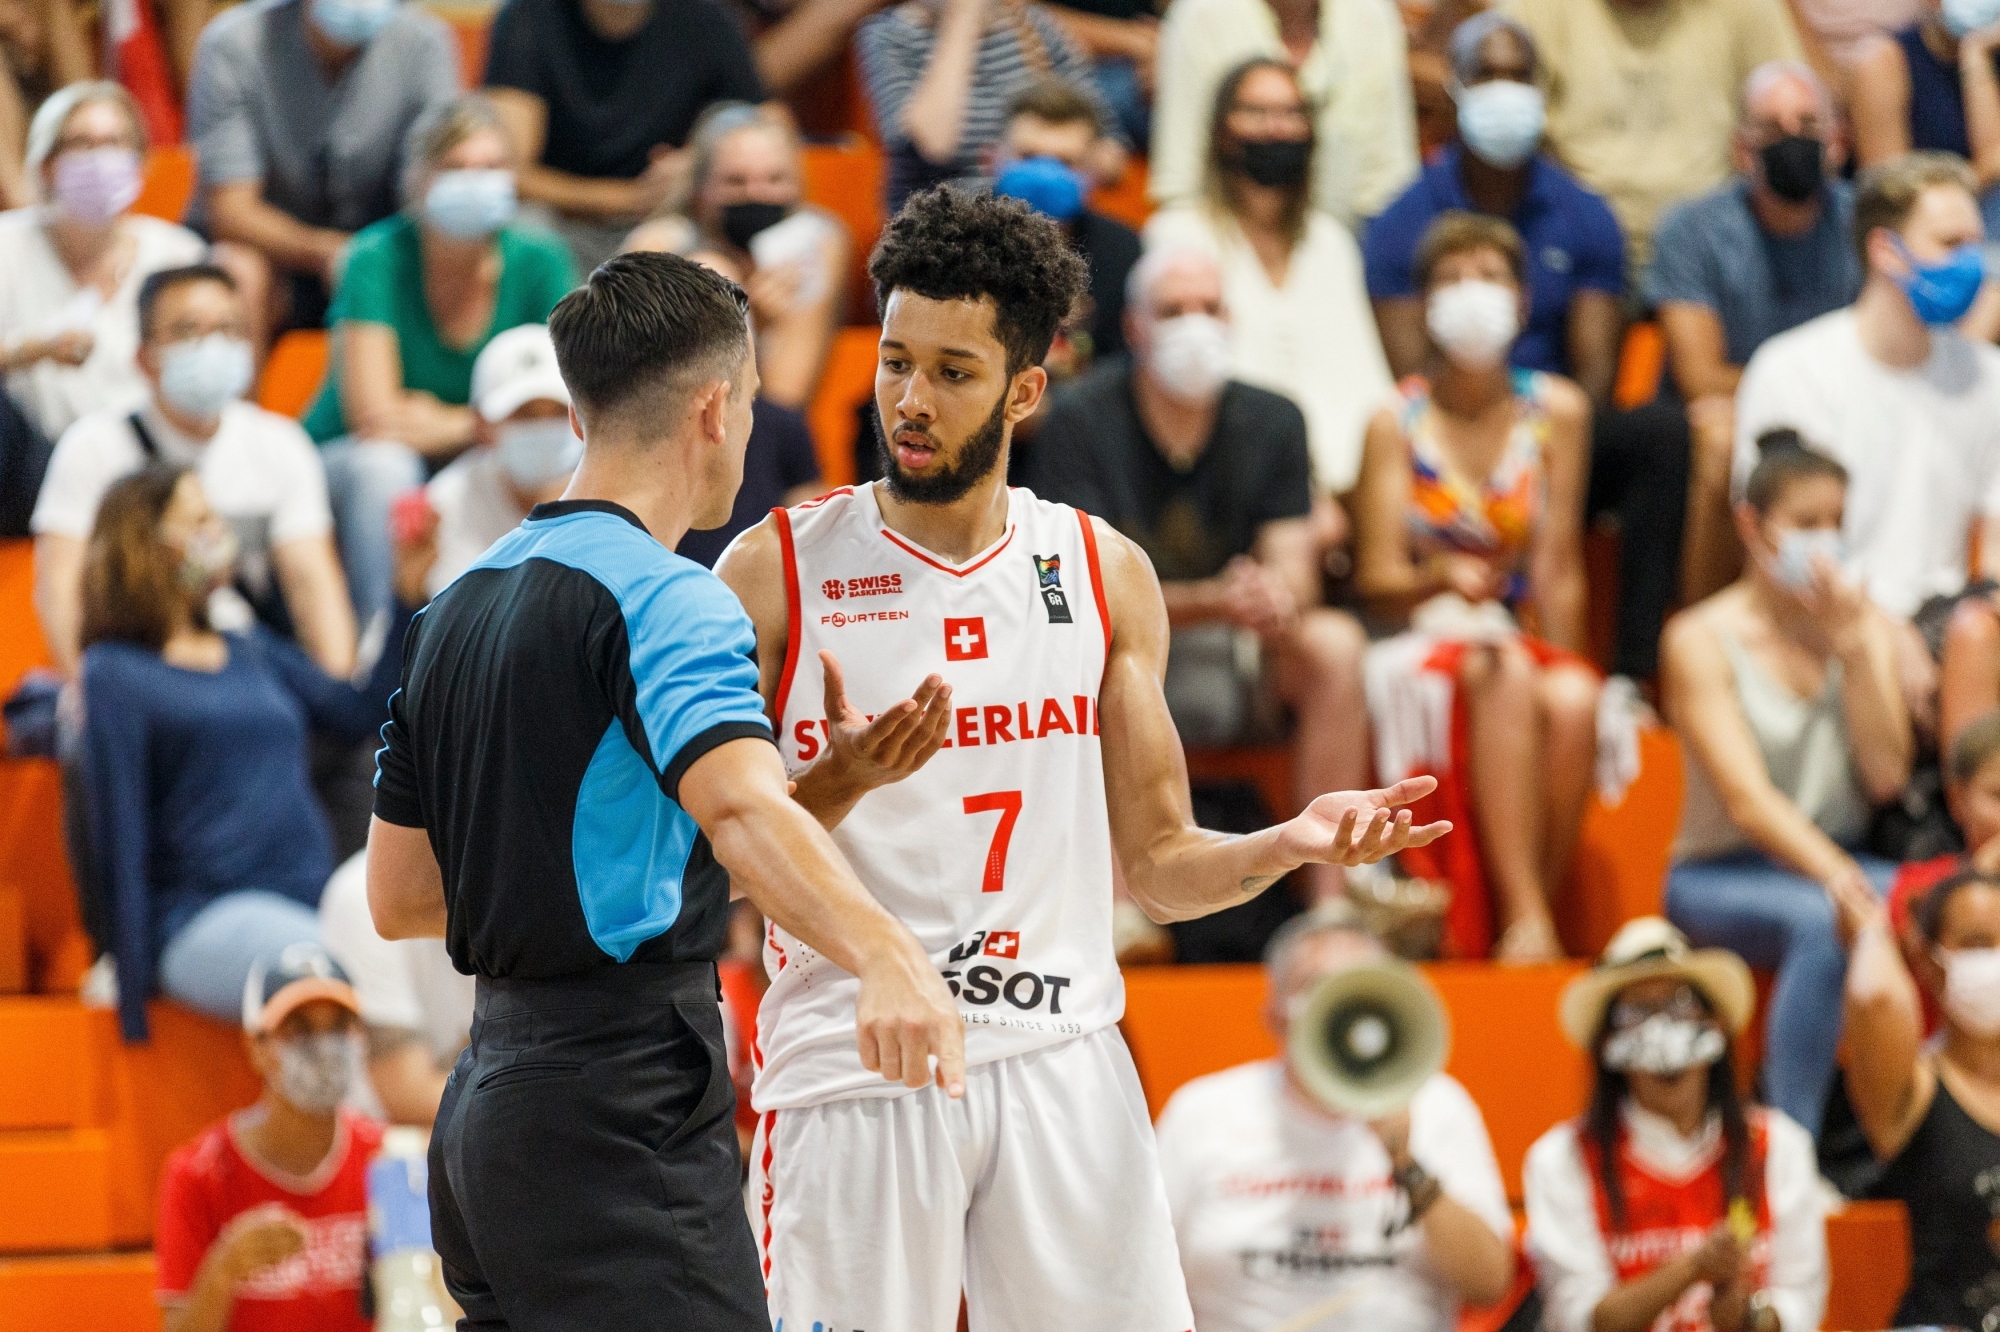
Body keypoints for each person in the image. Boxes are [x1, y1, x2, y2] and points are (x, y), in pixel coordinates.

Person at [713, 184, 1447, 1330]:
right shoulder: (775, 571)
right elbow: (716, 848)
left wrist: (1284, 839)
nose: (909, 399)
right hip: (858, 1056)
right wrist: (838, 782)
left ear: (1023, 390)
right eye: (895, 361)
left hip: (1058, 1051)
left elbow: (1155, 864)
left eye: (951, 373)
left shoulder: (1101, 574)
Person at [364, 251, 966, 1329]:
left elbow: (403, 898)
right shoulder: (671, 598)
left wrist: (821, 790)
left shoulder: (452, 609)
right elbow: (735, 812)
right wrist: (887, 953)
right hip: (616, 1105)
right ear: (714, 409)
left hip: (488, 1109)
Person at [1029, 244, 1370, 903]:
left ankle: (1334, 901)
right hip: (1120, 651)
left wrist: (1272, 596)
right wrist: (1216, 599)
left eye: (1210, 309)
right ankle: (1118, 911)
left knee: (1336, 646)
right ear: (1135, 328)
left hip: (1241, 651)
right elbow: (1081, 587)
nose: (1195, 326)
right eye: (1173, 310)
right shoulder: (1080, 420)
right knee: (1077, 648)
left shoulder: (1275, 418)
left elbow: (1294, 574)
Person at [78, 465, 423, 1044]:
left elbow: (360, 714)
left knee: (425, 953)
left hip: (310, 899)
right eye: (200, 519)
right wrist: (132, 1007)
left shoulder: (250, 649)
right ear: (148, 546)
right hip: (198, 916)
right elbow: (118, 830)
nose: (220, 530)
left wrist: (407, 594)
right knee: (330, 967)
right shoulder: (114, 672)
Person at [1352, 211, 1598, 963]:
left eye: (1489, 277)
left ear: (1523, 302)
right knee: (1500, 670)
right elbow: (1375, 579)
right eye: (1452, 280)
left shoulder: (1558, 411)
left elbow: (1558, 565)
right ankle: (1524, 917)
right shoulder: (1394, 420)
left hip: (1511, 629)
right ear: (1425, 305)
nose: (1472, 294)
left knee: (1575, 697)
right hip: (1417, 637)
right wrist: (1437, 578)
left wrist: (1575, 658)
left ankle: (1529, 910)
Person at [1660, 431, 1910, 1135]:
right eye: (1806, 524)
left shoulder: (1861, 631)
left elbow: (1886, 775)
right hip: (1720, 872)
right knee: (1824, 923)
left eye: (1836, 523)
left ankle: (1909, 1133)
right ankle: (1787, 1145)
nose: (1825, 541)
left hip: (1843, 855)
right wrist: (1839, 881)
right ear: (1752, 525)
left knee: (1945, 902)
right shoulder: (1699, 637)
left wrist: (1858, 648)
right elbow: (1748, 801)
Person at [1154, 904, 1515, 1332]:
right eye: (1317, 986)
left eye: (1354, 986)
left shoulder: (1436, 1104)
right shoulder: (1203, 1111)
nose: (1336, 1001)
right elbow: (1143, 1266)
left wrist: (1405, 1160)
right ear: (1273, 1016)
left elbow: (1490, 1283)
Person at [302, 94, 577, 636]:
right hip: (349, 463)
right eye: (455, 168)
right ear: (417, 181)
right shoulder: (374, 257)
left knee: (560, 458)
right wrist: (487, 423)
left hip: (488, 452)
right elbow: (376, 418)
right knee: (387, 466)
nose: (474, 182)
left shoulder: (542, 260)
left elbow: (570, 402)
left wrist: (446, 420)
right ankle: (386, 647)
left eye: (491, 167)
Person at [1733, 153, 2000, 691]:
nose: (1974, 264)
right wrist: (1884, 635)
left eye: (1977, 243)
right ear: (1885, 251)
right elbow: (1785, 549)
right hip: (1824, 618)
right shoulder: (1790, 370)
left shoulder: (1987, 377)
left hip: (1948, 623)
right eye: (1951, 245)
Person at [31, 264, 354, 679]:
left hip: (243, 667)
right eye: (187, 331)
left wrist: (337, 690)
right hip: (136, 670)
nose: (211, 347)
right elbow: (61, 587)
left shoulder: (280, 444)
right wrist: (87, 697)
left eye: (229, 330)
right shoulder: (92, 447)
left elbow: (313, 583)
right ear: (144, 358)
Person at [1526, 917, 1829, 1332]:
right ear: (1606, 1043)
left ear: (1716, 1023)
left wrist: (1746, 1318)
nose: (1662, 1034)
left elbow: (1801, 1304)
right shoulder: (1561, 1159)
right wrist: (1692, 1268)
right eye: (1638, 1014)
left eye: (1680, 1005)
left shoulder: (1779, 1146)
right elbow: (1580, 1320)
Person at [1653, 63, 1862, 608]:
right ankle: (1701, 630)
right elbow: (1700, 378)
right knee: (1719, 440)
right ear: (1742, 150)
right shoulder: (1692, 230)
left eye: (1807, 124)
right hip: (1738, 412)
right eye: (1770, 129)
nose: (1790, 139)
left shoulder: (1864, 226)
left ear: (1838, 142)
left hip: (1846, 404)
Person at [1145, 58, 1393, 496]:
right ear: (1222, 131)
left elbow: (1364, 381)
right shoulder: (1178, 234)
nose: (1275, 129)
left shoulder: (1331, 241)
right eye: (1256, 112)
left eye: (1292, 113)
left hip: (1352, 483)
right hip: (1234, 483)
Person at [1366, 15, 1624, 403]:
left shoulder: (1588, 217)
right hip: (1438, 424)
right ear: (1452, 87)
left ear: (1541, 90)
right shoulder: (1400, 222)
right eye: (1484, 75)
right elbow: (1409, 376)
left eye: (1519, 76)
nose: (1504, 91)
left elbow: (1594, 379)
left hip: (1554, 425)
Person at [186, 0, 459, 352]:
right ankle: (241, 408)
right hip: (275, 258)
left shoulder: (426, 43)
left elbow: (434, 186)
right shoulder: (232, 43)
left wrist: (370, 258)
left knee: (451, 253)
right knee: (237, 270)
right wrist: (326, 252)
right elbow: (231, 212)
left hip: (383, 255)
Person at [154, 945, 381, 1332]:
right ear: (256, 1047)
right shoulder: (197, 1174)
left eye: (339, 1027)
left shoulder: (385, 1159)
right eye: (300, 1031)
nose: (324, 1048)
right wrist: (224, 1270)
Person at [1503, 0, 1804, 273]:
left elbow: (1796, 115)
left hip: (1716, 244)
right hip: (1577, 245)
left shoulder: (1748, 9)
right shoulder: (1534, 8)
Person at [482, 0, 766, 274]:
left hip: (667, 217)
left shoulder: (707, 18)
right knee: (523, 232)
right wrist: (625, 199)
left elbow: (770, 130)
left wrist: (696, 163)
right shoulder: (527, 17)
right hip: (559, 221)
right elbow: (512, 173)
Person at [0, 83, 205, 445]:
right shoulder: (8, 244)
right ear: (47, 164)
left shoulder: (177, 255)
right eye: (82, 143)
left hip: (145, 451)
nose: (99, 158)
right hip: (29, 450)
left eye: (115, 143)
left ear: (140, 162)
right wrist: (31, 351)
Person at [1842, 867, 2000, 1330]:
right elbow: (1876, 1000)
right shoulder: (1916, 1087)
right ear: (1928, 960)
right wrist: (1872, 931)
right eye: (1977, 943)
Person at [623, 102, 847, 410]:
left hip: (770, 428)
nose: (756, 194)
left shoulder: (814, 241)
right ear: (700, 189)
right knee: (715, 270)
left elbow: (785, 404)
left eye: (775, 180)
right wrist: (741, 318)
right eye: (735, 181)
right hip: (675, 422)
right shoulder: (658, 244)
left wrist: (767, 329)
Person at [1148, 0, 1416, 227]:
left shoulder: (1372, 13)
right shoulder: (1200, 15)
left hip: (1343, 243)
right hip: (1220, 243)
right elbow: (1179, 185)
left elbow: (1390, 179)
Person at [855, 0, 1125, 214]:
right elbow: (933, 142)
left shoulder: (1034, 27)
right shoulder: (888, 36)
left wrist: (1046, 163)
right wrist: (963, 20)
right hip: (939, 227)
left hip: (1044, 222)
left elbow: (1111, 155)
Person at [412, 322, 579, 596]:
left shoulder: (612, 499)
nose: (541, 428)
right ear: (482, 425)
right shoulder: (447, 503)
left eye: (558, 412)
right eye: (524, 414)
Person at [991, 77, 1143, 365]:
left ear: (1093, 171)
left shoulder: (1121, 250)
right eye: (1028, 156)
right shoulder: (950, 238)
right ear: (994, 158)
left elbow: (1123, 364)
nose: (1045, 174)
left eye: (1065, 162)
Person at [318, 850, 473, 1127]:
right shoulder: (362, 896)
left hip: (472, 1122)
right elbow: (405, 1096)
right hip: (383, 1140)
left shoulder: (507, 882)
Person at [1851, 0, 2000, 202]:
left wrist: (1977, 55)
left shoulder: (1991, 50)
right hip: (1925, 219)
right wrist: (1985, 171)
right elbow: (1889, 195)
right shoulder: (1882, 62)